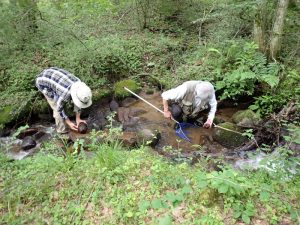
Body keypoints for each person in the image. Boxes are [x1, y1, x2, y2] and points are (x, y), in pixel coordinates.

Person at [35, 67, 92, 134]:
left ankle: (67, 120)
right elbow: (59, 109)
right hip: (43, 82)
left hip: (54, 76)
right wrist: (69, 123)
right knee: (56, 107)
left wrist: (78, 118)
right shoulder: (65, 94)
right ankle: (61, 131)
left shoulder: (80, 86)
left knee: (61, 103)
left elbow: (78, 102)